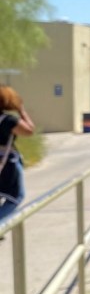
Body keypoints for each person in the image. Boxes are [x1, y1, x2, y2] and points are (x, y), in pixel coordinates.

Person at [0, 86, 35, 225]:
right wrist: (22, 111)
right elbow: (29, 130)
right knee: (16, 197)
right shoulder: (8, 121)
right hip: (6, 162)